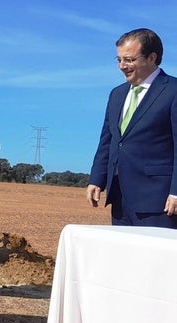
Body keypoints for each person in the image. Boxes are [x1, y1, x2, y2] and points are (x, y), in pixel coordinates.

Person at [87, 28, 177, 228]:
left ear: (152, 57)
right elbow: (108, 141)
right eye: (118, 60)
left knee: (157, 259)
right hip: (120, 198)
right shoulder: (117, 94)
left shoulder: (173, 91)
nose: (122, 66)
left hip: (160, 202)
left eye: (129, 60)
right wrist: (96, 179)